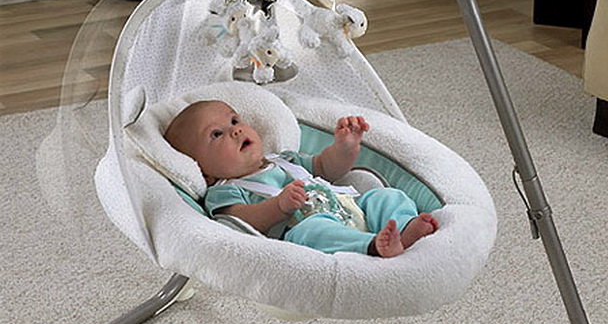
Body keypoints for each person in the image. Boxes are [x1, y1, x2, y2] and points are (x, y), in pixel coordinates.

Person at [164, 100, 438, 258]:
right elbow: (240, 221)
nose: (235, 131)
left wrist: (345, 148)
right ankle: (373, 247)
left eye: (235, 121)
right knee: (312, 231)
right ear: (203, 170)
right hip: (305, 230)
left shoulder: (284, 160)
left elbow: (326, 168)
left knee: (386, 196)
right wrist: (278, 207)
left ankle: (404, 229)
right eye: (216, 134)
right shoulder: (224, 189)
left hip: (350, 209)